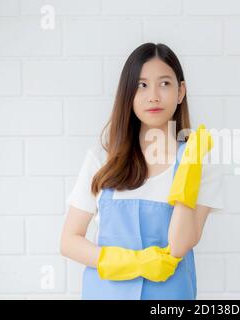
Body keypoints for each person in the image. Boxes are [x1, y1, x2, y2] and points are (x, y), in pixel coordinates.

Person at [60, 43, 224, 300]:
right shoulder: (101, 159)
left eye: (165, 84)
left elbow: (180, 244)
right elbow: (69, 241)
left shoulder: (200, 162)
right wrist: (130, 263)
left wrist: (188, 168)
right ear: (128, 94)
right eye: (142, 85)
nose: (154, 96)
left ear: (181, 91)